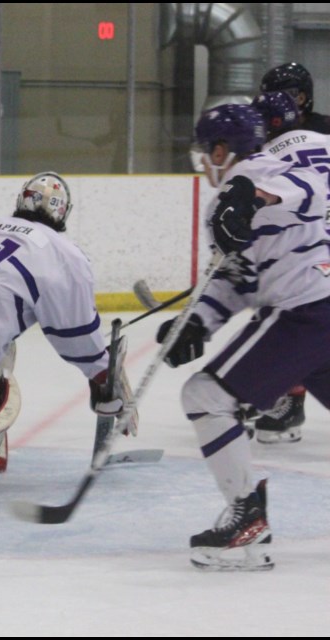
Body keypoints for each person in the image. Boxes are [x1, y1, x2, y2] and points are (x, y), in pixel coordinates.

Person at [159, 103, 330, 570]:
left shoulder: (264, 170)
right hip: (315, 312)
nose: (203, 161)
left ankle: (246, 517)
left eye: (205, 151)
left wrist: (249, 195)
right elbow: (234, 279)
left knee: (205, 396)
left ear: (221, 149)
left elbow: (310, 191)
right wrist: (197, 323)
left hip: (306, 310)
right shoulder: (226, 204)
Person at [0, 172, 135, 504]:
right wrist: (102, 373)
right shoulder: (63, 252)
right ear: (63, 212)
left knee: (1, 355)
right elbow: (73, 331)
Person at [248, 89, 330, 442]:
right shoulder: (324, 138)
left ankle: (283, 399)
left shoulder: (267, 159)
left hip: (315, 262)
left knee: (291, 310)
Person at [260, 61, 330, 134]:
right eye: (268, 99)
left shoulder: (326, 127)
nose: (271, 104)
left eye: (279, 99)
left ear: (301, 98)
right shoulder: (261, 132)